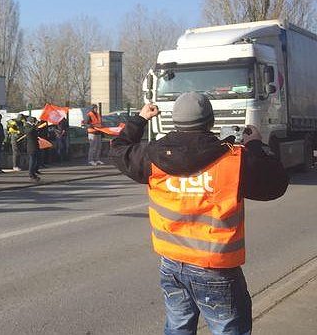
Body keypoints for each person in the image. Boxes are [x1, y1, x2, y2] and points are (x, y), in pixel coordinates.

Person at [110, 94, 288, 335]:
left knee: (178, 326)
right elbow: (276, 184)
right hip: (215, 268)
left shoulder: (152, 156)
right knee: (228, 329)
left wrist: (141, 118)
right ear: (210, 121)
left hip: (172, 264)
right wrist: (255, 144)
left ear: (175, 121)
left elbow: (119, 148)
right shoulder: (234, 157)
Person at [24, 117, 41, 181]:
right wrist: (34, 126)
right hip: (31, 146)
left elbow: (34, 133)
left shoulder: (32, 127)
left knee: (35, 160)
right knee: (32, 160)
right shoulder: (27, 126)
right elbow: (29, 132)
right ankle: (31, 173)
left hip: (35, 144)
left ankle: (33, 172)